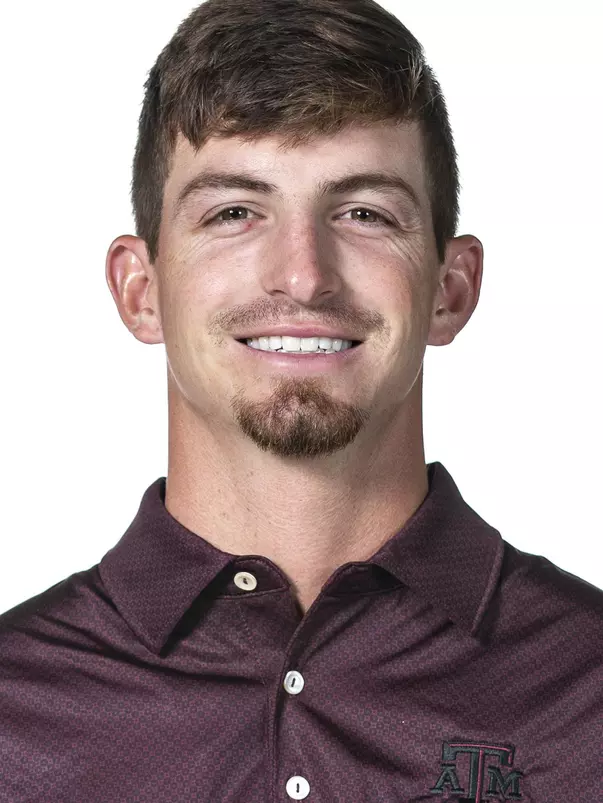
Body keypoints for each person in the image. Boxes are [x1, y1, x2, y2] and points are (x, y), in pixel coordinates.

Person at [1, 0, 601, 800]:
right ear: (139, 290)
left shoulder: (588, 689)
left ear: (450, 291)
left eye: (362, 213)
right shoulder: (13, 713)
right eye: (234, 212)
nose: (303, 274)